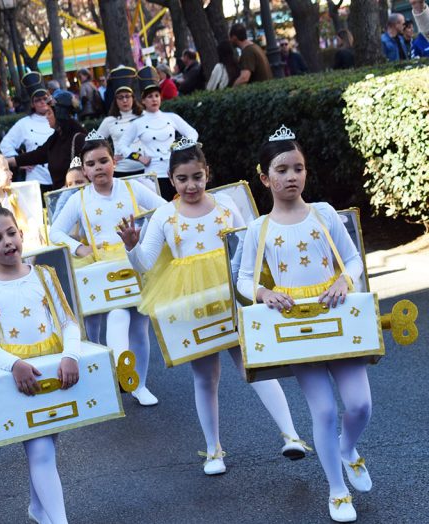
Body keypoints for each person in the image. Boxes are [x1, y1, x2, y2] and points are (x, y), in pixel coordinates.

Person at [117, 138, 308, 475]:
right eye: (182, 179)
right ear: (171, 180)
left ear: (207, 173)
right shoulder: (164, 215)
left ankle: (291, 435)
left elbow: (245, 247)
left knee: (254, 364)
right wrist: (132, 247)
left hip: (230, 292)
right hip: (191, 302)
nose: (191, 185)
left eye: (197, 177)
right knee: (206, 378)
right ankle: (213, 450)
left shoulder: (224, 206)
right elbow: (145, 264)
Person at [237, 126, 370, 523]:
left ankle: (347, 449)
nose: (291, 176)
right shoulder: (258, 228)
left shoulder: (324, 214)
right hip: (295, 325)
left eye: (298, 168)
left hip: (337, 315)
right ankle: (337, 489)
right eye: (282, 169)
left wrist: (345, 279)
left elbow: (353, 259)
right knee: (325, 411)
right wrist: (263, 294)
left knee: (360, 404)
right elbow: (244, 279)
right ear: (265, 177)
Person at [0, 196, 80, 523]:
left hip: (53, 366)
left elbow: (68, 321)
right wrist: (13, 365)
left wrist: (70, 355)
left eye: (11, 233)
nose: (7, 242)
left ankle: (37, 506)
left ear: (21, 234)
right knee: (41, 450)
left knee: (47, 444)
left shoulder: (43, 274)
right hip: (18, 375)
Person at [49, 135, 166, 406]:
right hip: (103, 269)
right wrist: (79, 248)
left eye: (104, 160)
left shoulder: (132, 188)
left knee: (140, 325)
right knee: (116, 313)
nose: (99, 167)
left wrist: (144, 237)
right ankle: (120, 365)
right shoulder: (79, 199)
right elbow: (55, 231)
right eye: (92, 164)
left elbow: (162, 211)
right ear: (85, 169)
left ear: (114, 161)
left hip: (135, 260)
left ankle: (140, 384)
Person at [116, 66, 198, 201]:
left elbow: (192, 133)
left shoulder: (171, 117)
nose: (154, 99)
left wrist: (181, 149)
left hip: (175, 171)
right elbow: (121, 146)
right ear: (143, 100)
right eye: (149, 97)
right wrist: (138, 157)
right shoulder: (138, 123)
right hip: (153, 175)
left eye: (156, 96)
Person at [7, 93, 86, 190]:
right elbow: (37, 155)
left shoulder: (79, 138)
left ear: (59, 114)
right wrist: (7, 161)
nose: (46, 117)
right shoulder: (56, 137)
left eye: (49, 113)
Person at [0, 72, 56, 192]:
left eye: (45, 99)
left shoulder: (58, 119)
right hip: (36, 179)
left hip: (60, 177)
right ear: (32, 103)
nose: (42, 102)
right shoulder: (24, 123)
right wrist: (20, 161)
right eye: (37, 100)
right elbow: (5, 144)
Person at [96, 65, 146, 177]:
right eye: (120, 97)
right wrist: (109, 156)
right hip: (121, 171)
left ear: (133, 98)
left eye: (127, 96)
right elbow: (95, 142)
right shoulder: (109, 121)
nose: (124, 100)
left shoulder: (144, 116)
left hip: (146, 169)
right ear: (115, 100)